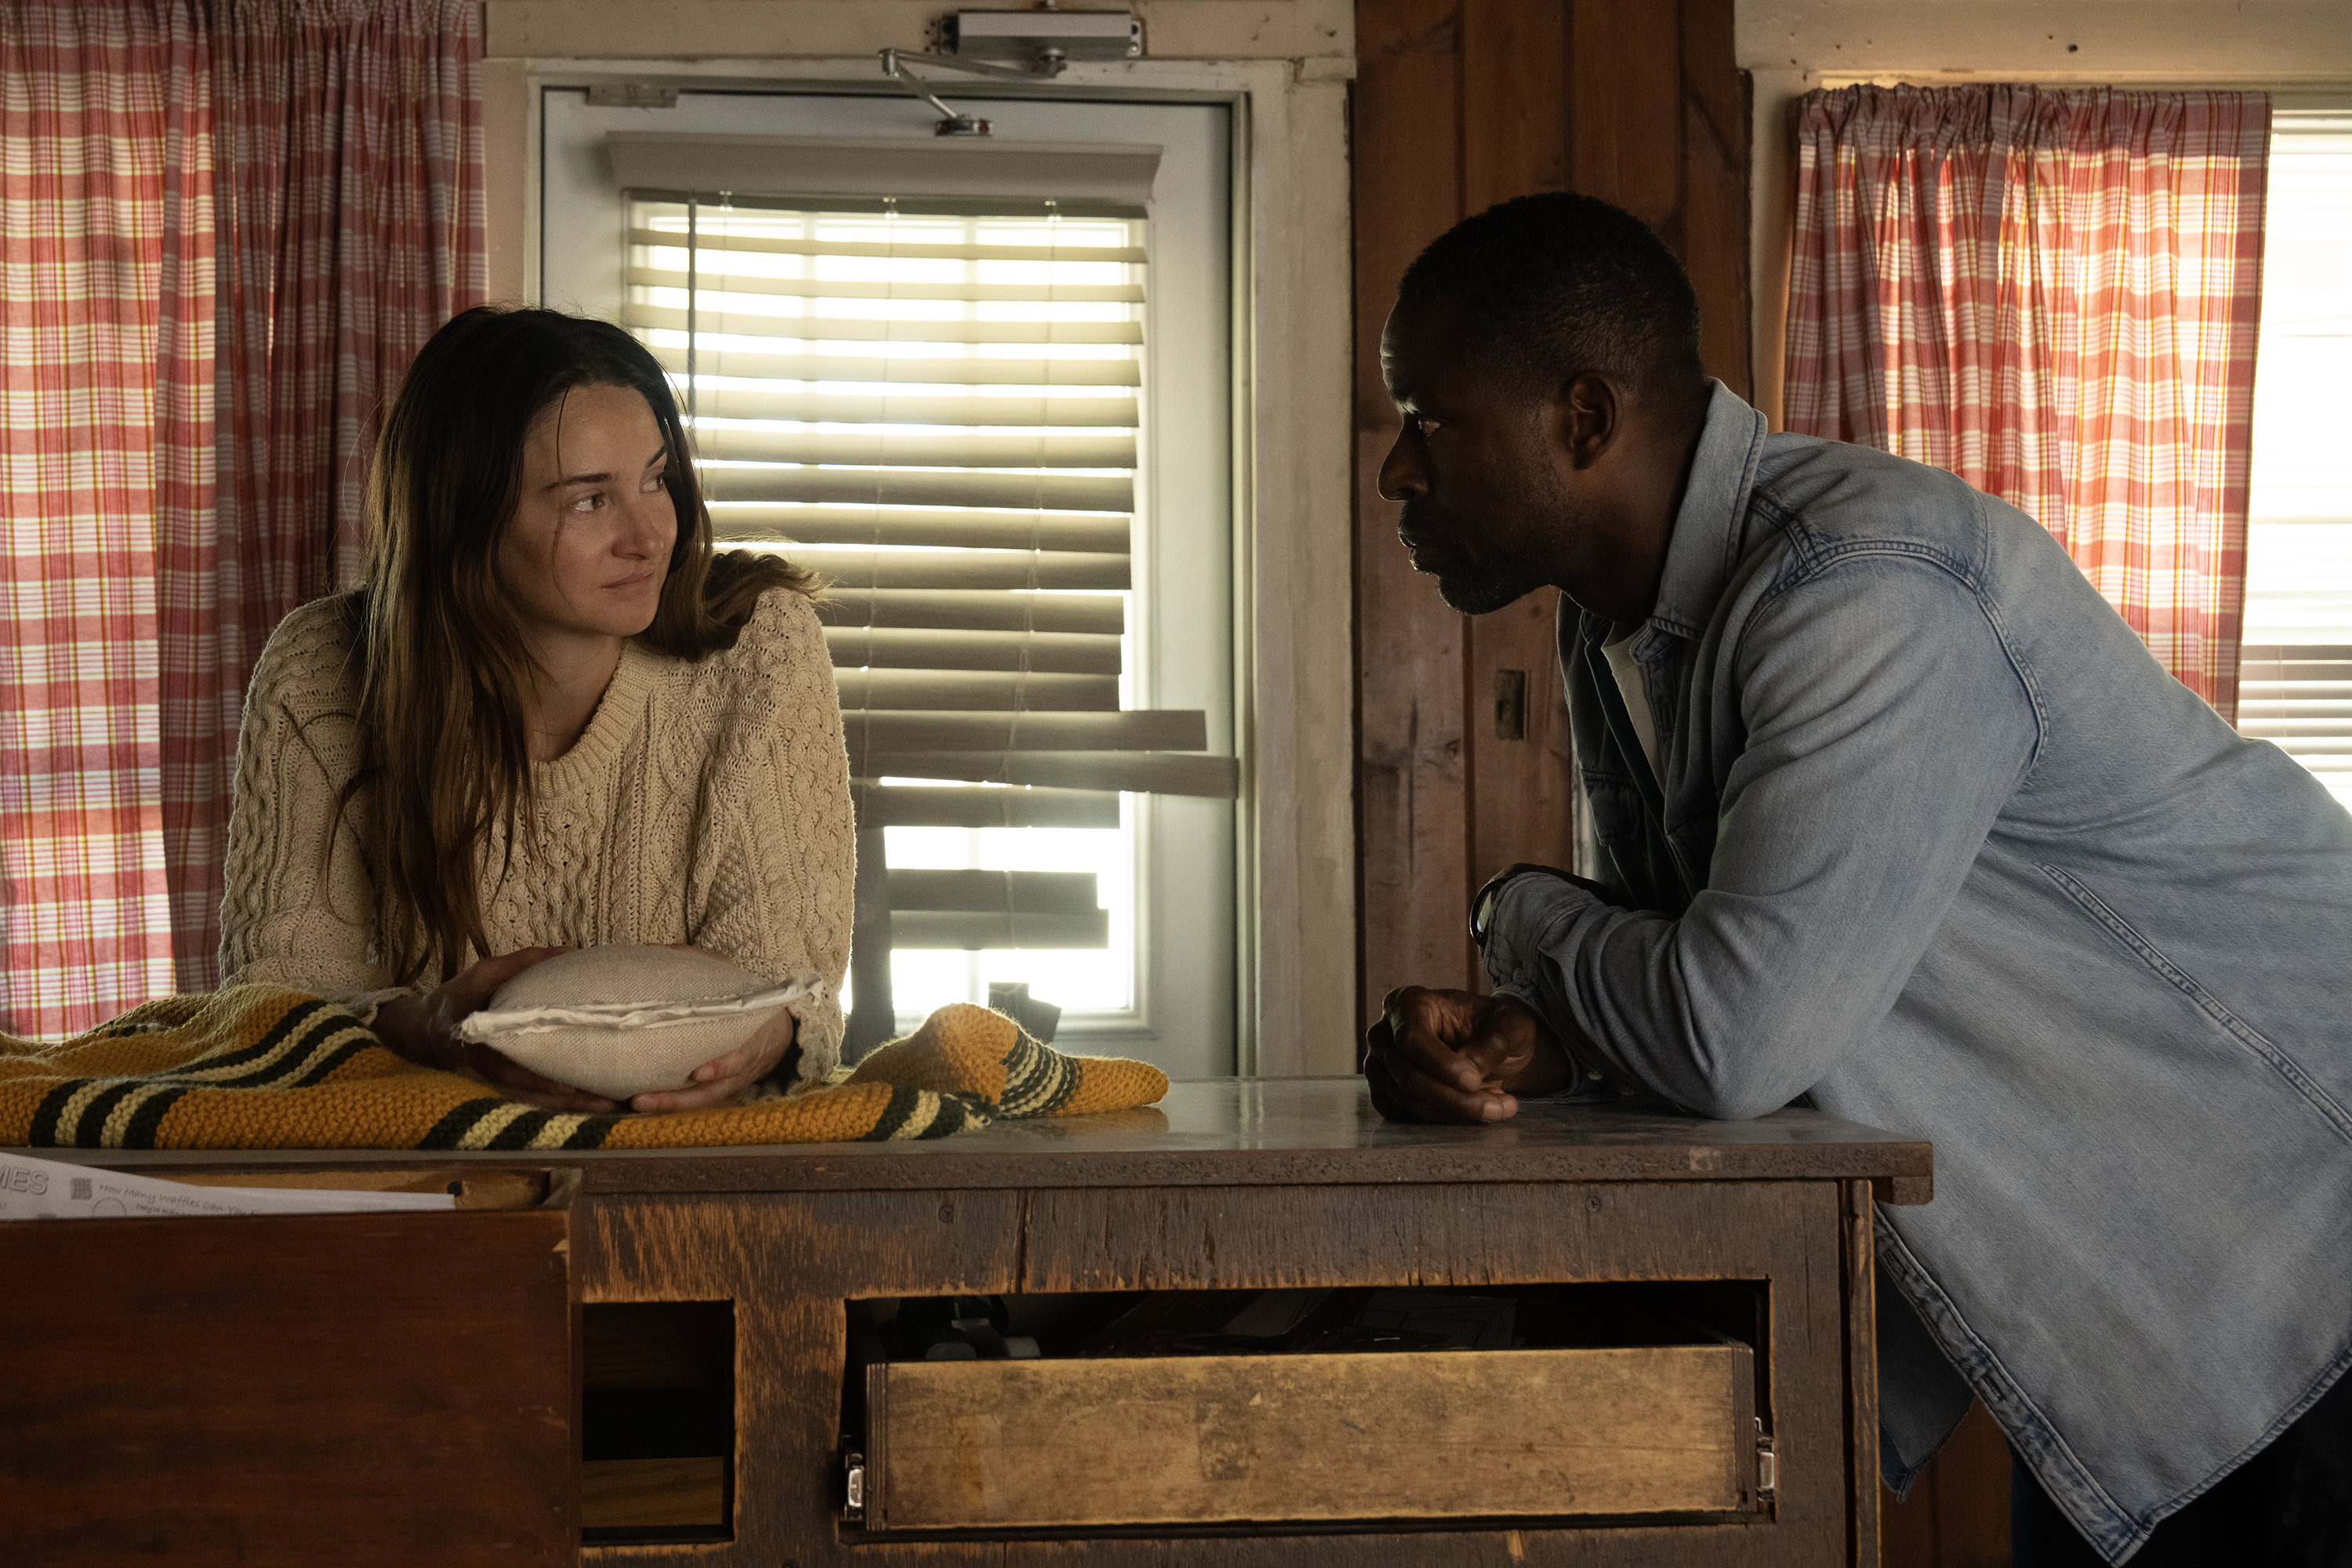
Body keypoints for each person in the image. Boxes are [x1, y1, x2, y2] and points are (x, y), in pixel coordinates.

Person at [1359, 193, 2351, 1566]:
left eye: (1428, 418)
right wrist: (1555, 1043)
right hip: (2159, 1310)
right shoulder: (1621, 635)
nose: (1397, 472)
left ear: (1581, 421)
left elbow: (1730, 1031)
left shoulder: (1865, 586)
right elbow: (1709, 972)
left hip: (2301, 1243)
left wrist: (1512, 916)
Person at [219, 307, 854, 1115]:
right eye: (590, 500)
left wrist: (775, 1033)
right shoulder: (321, 671)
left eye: (656, 479)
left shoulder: (757, 648)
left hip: (700, 1165)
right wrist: (425, 1027)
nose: (650, 534)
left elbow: (791, 983)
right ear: (467, 519)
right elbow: (269, 1011)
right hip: (431, 1174)